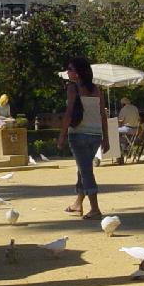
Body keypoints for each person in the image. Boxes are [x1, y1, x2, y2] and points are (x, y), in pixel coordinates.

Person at [57, 57, 109, 219]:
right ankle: (78, 203)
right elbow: (103, 115)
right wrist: (106, 138)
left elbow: (69, 113)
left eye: (70, 69)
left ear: (78, 72)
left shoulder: (73, 88)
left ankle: (95, 208)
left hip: (78, 134)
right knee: (83, 168)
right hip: (95, 135)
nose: (67, 72)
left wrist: (62, 135)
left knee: (86, 171)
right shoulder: (97, 89)